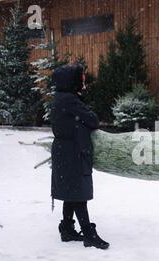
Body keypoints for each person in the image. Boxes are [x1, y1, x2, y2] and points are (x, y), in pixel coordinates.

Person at [51, 64, 109, 250]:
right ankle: (89, 234)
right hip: (72, 152)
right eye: (81, 80)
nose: (83, 84)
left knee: (71, 190)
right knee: (77, 193)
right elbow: (93, 120)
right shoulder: (70, 100)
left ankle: (67, 228)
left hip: (66, 151)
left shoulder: (62, 98)